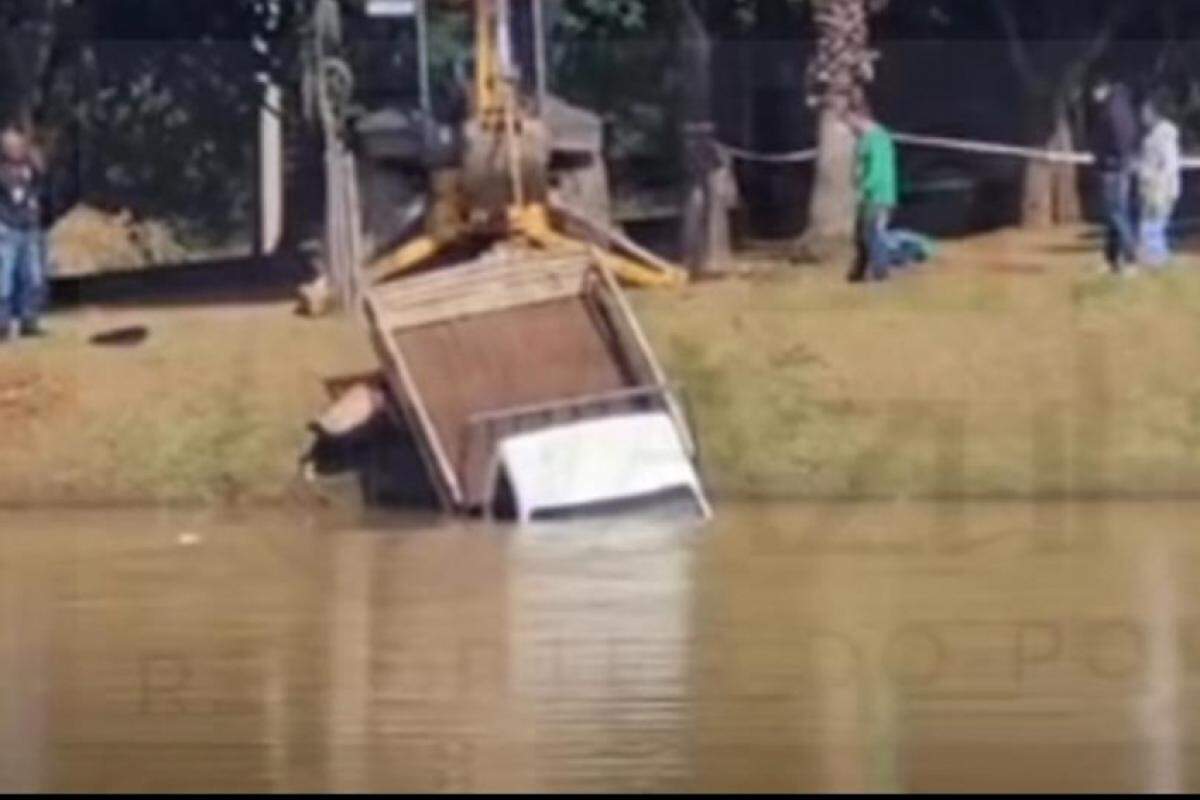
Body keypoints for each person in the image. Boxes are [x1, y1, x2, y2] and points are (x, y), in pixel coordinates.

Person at [1087, 77, 1141, 275]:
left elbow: (1117, 141)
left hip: (1113, 168)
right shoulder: (1121, 108)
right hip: (1116, 167)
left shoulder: (1113, 112)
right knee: (1113, 216)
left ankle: (1130, 257)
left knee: (1117, 214)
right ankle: (1111, 260)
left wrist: (1106, 157)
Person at [0, 126, 48, 339]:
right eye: (9, 145)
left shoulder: (30, 168)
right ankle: (2, 323)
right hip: (7, 229)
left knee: (33, 277)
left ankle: (29, 320)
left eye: (17, 144)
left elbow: (42, 171)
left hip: (30, 229)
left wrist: (31, 151)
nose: (14, 148)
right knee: (4, 279)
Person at [846, 101, 899, 283]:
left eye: (850, 121)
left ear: (860, 118)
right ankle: (857, 275)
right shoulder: (864, 139)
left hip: (878, 197)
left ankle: (881, 275)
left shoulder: (878, 139)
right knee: (861, 236)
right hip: (866, 197)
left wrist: (865, 188)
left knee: (873, 236)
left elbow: (878, 170)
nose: (849, 126)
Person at [1136, 94, 1181, 268]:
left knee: (1153, 224)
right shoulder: (1153, 135)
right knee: (1151, 224)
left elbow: (1169, 163)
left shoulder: (1164, 135)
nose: (1143, 114)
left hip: (1160, 188)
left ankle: (1156, 259)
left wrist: (1158, 182)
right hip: (1152, 187)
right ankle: (1154, 258)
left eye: (1145, 111)